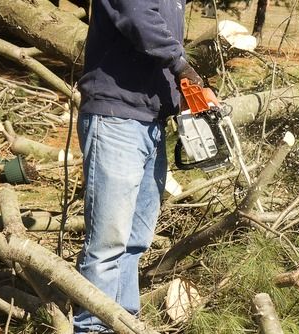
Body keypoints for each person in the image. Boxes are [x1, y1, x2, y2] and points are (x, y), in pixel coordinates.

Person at [74, 1, 202, 333]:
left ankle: (122, 322)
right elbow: (137, 16)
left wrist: (183, 94)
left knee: (136, 239)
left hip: (150, 121)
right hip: (116, 117)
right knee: (107, 243)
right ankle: (91, 328)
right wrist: (181, 65)